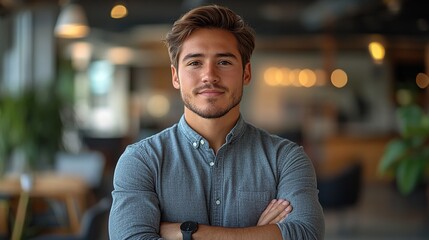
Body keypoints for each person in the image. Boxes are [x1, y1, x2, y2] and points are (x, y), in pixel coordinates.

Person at [109, 4, 324, 240]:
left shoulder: (286, 159)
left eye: (224, 62)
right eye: (194, 63)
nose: (209, 75)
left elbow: (306, 234)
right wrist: (261, 233)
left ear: (246, 73)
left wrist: (187, 233)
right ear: (175, 77)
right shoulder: (142, 160)